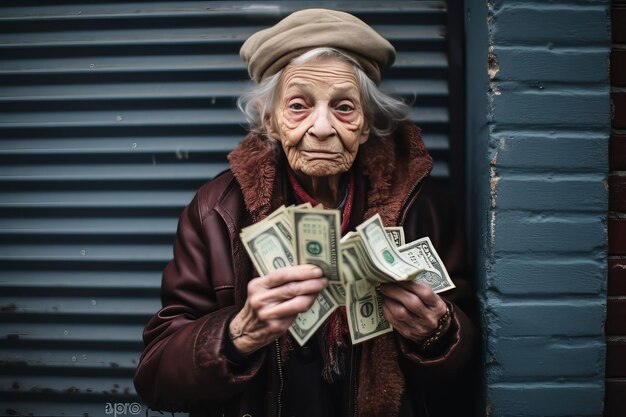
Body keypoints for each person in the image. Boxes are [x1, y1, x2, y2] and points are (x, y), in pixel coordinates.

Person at [134, 8, 478, 417]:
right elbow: (156, 377)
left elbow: (468, 371)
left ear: (366, 125)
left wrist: (437, 334)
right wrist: (237, 334)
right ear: (270, 121)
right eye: (299, 105)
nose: (321, 127)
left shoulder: (423, 209)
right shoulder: (216, 212)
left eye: (344, 108)